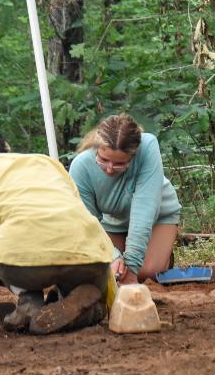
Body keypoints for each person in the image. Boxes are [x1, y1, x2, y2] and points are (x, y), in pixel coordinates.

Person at [0, 132, 118, 334]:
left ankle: (29, 303)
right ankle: (83, 306)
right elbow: (80, 214)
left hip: (23, 266)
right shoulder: (46, 162)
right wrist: (111, 302)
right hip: (93, 257)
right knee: (68, 235)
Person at [69, 114, 181, 283]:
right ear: (96, 147)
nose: (109, 169)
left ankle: (161, 255)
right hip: (112, 222)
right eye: (104, 160)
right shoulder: (81, 167)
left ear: (133, 155)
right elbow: (87, 223)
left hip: (157, 218)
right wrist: (112, 256)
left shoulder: (148, 147)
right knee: (108, 272)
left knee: (145, 272)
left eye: (120, 164)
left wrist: (133, 266)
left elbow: (145, 207)